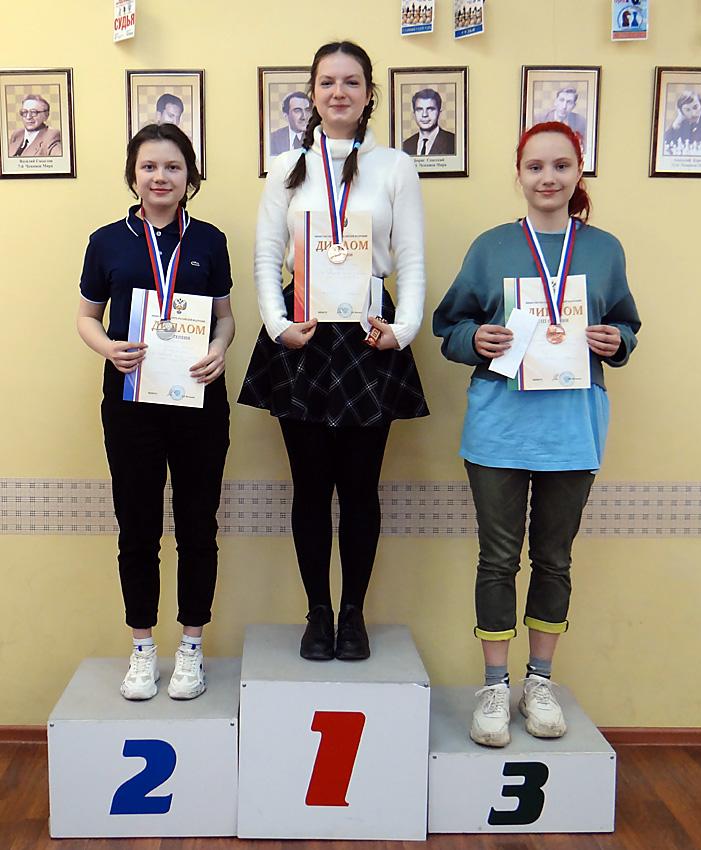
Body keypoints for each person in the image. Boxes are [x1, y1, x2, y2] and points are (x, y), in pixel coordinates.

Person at [433, 122, 640, 747]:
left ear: (579, 172)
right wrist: (476, 339)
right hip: (500, 425)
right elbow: (450, 327)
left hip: (572, 428)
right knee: (498, 559)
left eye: (561, 166)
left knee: (554, 558)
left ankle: (539, 682)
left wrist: (616, 340)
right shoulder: (491, 247)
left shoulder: (604, 250)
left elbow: (626, 326)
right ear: (519, 174)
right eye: (535, 167)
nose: (548, 177)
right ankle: (494, 687)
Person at [239, 40, 428, 662]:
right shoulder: (286, 166)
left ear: (369, 93)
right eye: (327, 82)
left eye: (351, 82)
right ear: (312, 94)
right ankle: (317, 612)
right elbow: (268, 256)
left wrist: (403, 330)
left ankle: (354, 614)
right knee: (311, 487)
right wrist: (276, 324)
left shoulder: (395, 166)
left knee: (362, 488)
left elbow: (411, 258)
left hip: (369, 337)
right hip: (304, 336)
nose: (339, 92)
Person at [77, 123, 235, 700]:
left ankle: (191, 646)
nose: (160, 177)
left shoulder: (210, 241)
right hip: (130, 404)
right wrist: (108, 348)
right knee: (138, 527)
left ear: (189, 176)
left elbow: (225, 317)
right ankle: (142, 648)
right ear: (133, 174)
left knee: (197, 527)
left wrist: (219, 349)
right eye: (149, 166)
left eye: (172, 167)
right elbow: (86, 318)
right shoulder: (107, 241)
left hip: (198, 401)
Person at [402, 88, 456, 156]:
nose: (424, 114)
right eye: (419, 109)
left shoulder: (454, 142)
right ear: (414, 113)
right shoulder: (405, 145)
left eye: (430, 109)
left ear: (439, 112)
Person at [270, 91, 311, 155]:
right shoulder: (273, 139)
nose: (304, 117)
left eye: (307, 110)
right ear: (286, 115)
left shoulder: (317, 136)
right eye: (297, 110)